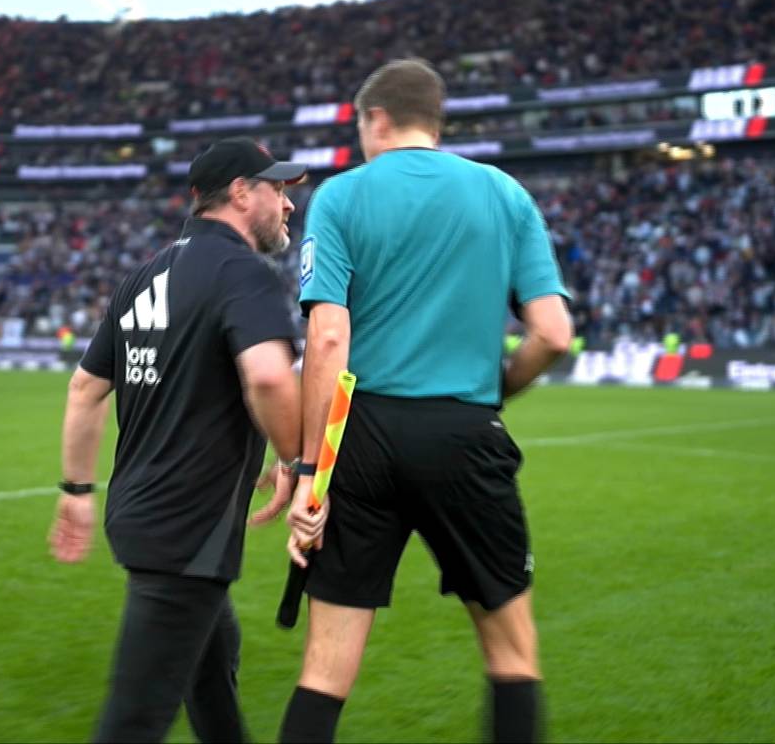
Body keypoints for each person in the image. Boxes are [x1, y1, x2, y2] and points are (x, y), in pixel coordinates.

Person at [280, 59, 573, 744]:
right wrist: (494, 390)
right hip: (465, 430)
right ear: (432, 121)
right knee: (512, 655)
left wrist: (306, 472)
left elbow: (326, 339)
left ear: (375, 118)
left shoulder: (343, 196)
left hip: (362, 439)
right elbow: (553, 334)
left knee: (325, 672)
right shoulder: (504, 193)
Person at [47, 137, 310, 743]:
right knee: (135, 720)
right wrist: (295, 460)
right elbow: (269, 375)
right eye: (277, 188)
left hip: (143, 513)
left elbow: (85, 388)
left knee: (213, 669)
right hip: (186, 528)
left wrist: (77, 489)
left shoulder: (142, 276)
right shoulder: (242, 271)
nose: (289, 204)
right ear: (241, 192)